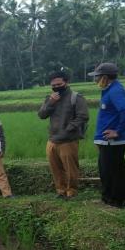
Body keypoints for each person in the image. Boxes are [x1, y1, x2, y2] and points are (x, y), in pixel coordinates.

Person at [87, 62, 125, 208]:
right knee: (105, 170)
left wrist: (117, 131)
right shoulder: (109, 90)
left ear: (105, 77)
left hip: (113, 141)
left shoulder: (115, 91)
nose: (95, 80)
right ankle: (107, 199)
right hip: (106, 141)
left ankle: (118, 201)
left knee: (114, 171)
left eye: (97, 77)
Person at [37, 71, 89, 200]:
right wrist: (51, 102)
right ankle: (60, 191)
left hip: (68, 140)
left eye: (59, 84)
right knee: (56, 168)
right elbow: (42, 115)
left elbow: (83, 116)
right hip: (52, 140)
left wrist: (68, 129)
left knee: (70, 168)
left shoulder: (76, 97)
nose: (56, 86)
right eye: (53, 85)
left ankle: (71, 192)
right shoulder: (50, 98)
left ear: (66, 83)